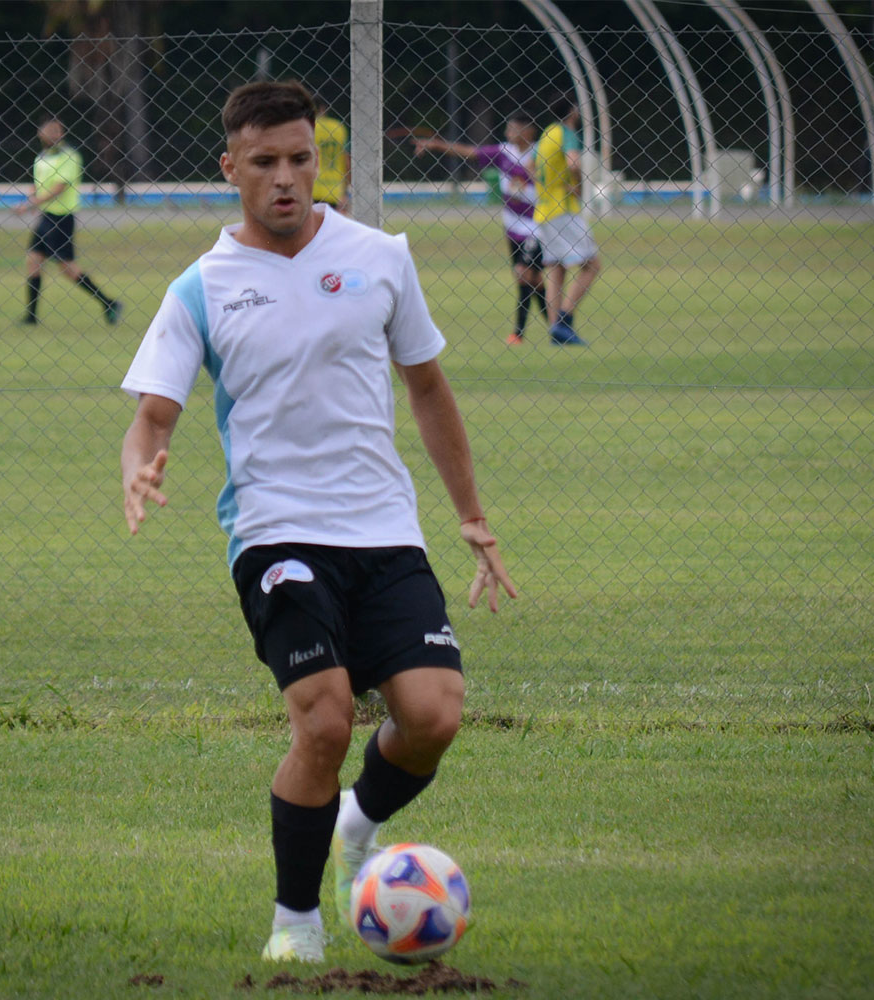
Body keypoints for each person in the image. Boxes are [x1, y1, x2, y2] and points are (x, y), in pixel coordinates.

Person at [119, 80, 516, 965]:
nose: (288, 178)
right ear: (231, 169)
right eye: (266, 163)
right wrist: (138, 471)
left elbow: (427, 387)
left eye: (302, 158)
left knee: (434, 714)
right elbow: (152, 416)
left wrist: (472, 517)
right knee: (326, 720)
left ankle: (354, 821)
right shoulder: (201, 288)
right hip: (277, 534)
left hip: (384, 530)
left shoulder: (381, 256)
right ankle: (295, 923)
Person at [413, 112, 547, 345]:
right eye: (508, 128)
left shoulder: (541, 152)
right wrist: (436, 145)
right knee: (533, 280)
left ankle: (519, 333)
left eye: (514, 128)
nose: (508, 132)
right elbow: (470, 152)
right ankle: (558, 326)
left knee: (524, 275)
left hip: (537, 227)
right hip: (512, 227)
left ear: (529, 130)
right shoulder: (504, 152)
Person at [11, 118, 121, 326]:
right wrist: (31, 197)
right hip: (46, 217)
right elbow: (38, 184)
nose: (50, 135)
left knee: (67, 268)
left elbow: (60, 187)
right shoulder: (42, 157)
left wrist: (31, 204)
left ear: (61, 134)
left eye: (55, 131)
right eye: (46, 131)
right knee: (33, 262)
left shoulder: (70, 156)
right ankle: (31, 316)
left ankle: (108, 302)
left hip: (61, 219)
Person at [531, 92, 601, 346]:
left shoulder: (547, 133)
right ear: (571, 111)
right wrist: (577, 186)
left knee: (556, 269)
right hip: (564, 209)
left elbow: (531, 165)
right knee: (591, 264)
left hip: (544, 208)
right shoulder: (567, 132)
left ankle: (555, 331)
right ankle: (565, 318)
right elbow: (573, 164)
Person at [312, 97, 350, 213]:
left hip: (312, 188)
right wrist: (346, 192)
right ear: (324, 108)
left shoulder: (308, 127)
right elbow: (346, 161)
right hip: (335, 190)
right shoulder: (338, 127)